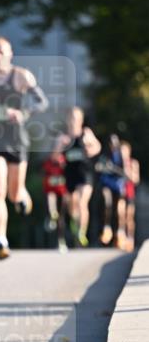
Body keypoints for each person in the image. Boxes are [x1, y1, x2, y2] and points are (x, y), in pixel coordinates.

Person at [0, 37, 48, 260]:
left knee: (14, 193)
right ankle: (1, 240)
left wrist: (22, 113)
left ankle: (21, 198)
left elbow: (41, 102)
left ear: (10, 53)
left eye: (1, 52)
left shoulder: (21, 76)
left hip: (16, 140)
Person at [53, 106, 101, 247]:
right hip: (70, 175)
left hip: (84, 174)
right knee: (72, 206)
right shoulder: (63, 137)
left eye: (76, 118)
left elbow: (98, 147)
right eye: (71, 118)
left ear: (81, 120)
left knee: (82, 202)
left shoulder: (86, 133)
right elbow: (54, 158)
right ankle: (75, 224)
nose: (74, 121)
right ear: (68, 120)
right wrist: (59, 147)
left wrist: (89, 148)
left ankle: (81, 232)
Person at [98, 134, 127, 248]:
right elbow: (98, 167)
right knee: (107, 203)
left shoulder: (120, 155)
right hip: (106, 183)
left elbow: (123, 172)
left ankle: (119, 232)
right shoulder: (104, 155)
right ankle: (106, 228)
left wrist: (112, 168)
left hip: (117, 184)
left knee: (119, 211)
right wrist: (104, 167)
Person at [41, 150, 68, 253]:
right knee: (51, 200)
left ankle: (61, 241)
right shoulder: (47, 163)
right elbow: (43, 173)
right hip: (50, 191)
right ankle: (51, 215)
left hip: (61, 191)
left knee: (61, 218)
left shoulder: (63, 161)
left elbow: (68, 173)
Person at [121, 141, 140, 251]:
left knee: (129, 217)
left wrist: (128, 173)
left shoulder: (133, 163)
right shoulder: (117, 163)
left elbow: (136, 180)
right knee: (121, 214)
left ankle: (130, 238)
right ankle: (121, 238)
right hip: (120, 193)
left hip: (130, 193)